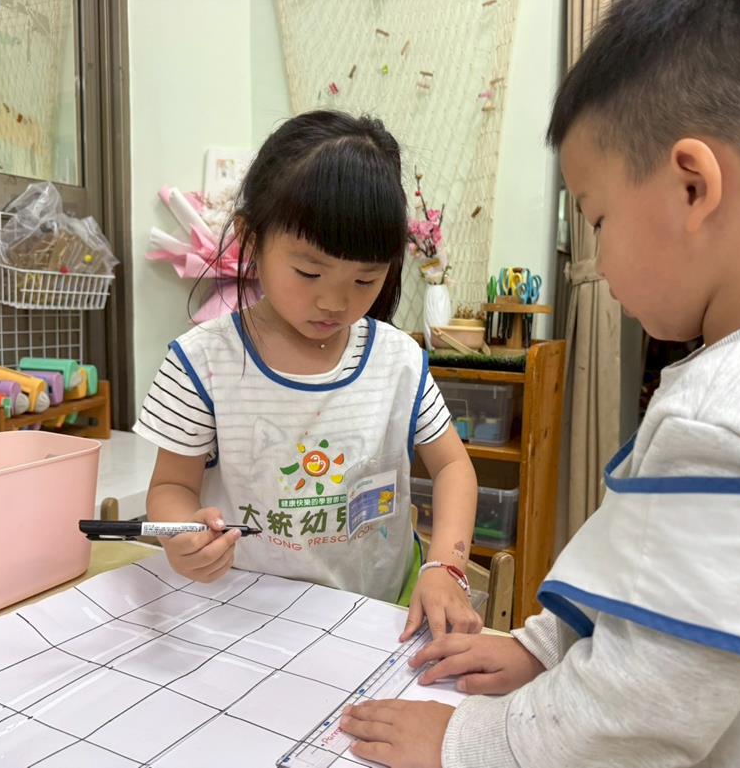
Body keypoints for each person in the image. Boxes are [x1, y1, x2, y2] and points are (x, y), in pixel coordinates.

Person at [340, 0, 740, 765]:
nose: (600, 257)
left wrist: (465, 740)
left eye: (597, 219)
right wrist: (544, 647)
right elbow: (657, 572)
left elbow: (643, 708)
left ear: (692, 187)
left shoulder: (730, 408)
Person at [134, 110, 482, 639]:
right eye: (309, 272)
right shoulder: (202, 363)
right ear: (252, 240)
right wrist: (182, 536)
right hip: (248, 616)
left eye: (365, 280)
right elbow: (171, 486)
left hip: (375, 613)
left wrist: (446, 566)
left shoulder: (397, 361)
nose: (334, 302)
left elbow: (453, 466)